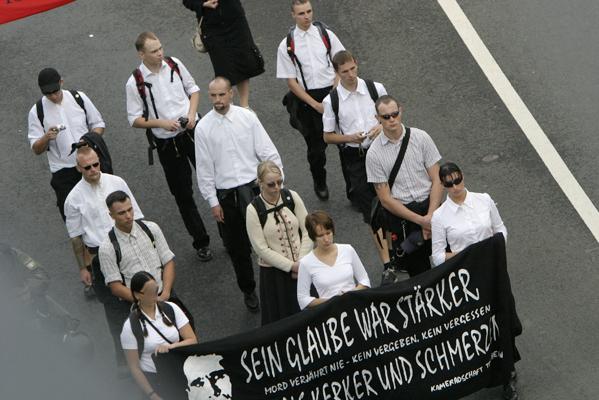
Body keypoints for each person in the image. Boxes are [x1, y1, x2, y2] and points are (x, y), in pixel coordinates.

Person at [196, 77, 283, 313]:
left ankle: (279, 282)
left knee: (271, 238)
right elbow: (204, 170)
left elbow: (267, 151)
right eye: (213, 96)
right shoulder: (203, 128)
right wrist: (213, 202)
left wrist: (277, 185)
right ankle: (248, 289)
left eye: (221, 95)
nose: (217, 100)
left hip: (255, 190)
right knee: (238, 248)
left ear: (231, 93)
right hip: (228, 197)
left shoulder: (247, 118)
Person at [126, 31, 212, 262]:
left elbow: (193, 90)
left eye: (161, 48)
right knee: (183, 193)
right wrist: (162, 123)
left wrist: (192, 115)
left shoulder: (174, 64)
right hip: (167, 143)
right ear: (141, 54)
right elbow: (134, 119)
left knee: (213, 178)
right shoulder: (135, 83)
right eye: (154, 51)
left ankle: (229, 231)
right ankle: (200, 240)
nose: (160, 53)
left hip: (193, 132)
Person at [64, 146, 143, 373]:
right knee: (115, 311)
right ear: (78, 168)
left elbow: (136, 214)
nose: (93, 170)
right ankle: (125, 363)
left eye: (96, 164)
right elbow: (76, 238)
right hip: (100, 258)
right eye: (87, 167)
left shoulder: (117, 182)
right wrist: (83, 268)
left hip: (128, 249)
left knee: (142, 297)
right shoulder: (73, 199)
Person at [322, 50, 390, 267]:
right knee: (371, 212)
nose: (350, 74)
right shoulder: (332, 101)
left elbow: (390, 115)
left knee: (393, 201)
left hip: (381, 150)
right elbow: (327, 136)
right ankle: (387, 261)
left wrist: (380, 127)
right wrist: (349, 137)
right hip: (356, 158)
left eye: (353, 68)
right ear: (337, 73)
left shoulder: (374, 88)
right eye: (345, 71)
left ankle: (397, 248)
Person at [366, 95, 443, 278]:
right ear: (377, 118)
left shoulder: (421, 137)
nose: (392, 119)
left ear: (401, 111)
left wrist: (431, 215)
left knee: (449, 258)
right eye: (386, 117)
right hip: (405, 217)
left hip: (432, 206)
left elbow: (437, 179)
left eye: (395, 114)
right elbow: (385, 199)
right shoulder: (374, 154)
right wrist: (420, 220)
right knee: (419, 272)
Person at [276, 0, 345, 200]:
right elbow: (291, 82)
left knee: (346, 143)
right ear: (293, 15)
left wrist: (333, 93)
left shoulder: (326, 35)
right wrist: (315, 104)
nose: (307, 16)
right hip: (308, 100)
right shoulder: (287, 45)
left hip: (332, 92)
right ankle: (320, 181)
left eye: (309, 11)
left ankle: (353, 188)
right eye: (301, 13)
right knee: (316, 149)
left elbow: (341, 62)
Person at [27, 67, 105, 221]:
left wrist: (89, 140)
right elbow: (36, 148)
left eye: (56, 91)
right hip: (64, 172)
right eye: (48, 94)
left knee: (104, 205)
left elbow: (98, 124)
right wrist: (46, 137)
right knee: (73, 217)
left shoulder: (78, 97)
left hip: (90, 163)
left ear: (61, 82)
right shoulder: (37, 111)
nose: (54, 96)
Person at [245, 161, 312, 324]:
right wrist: (291, 266)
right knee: (285, 322)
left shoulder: (291, 196)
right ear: (260, 184)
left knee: (313, 316)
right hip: (275, 276)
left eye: (280, 182)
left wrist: (301, 261)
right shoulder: (253, 210)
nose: (277, 188)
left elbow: (308, 230)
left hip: (304, 266)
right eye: (271, 184)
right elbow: (261, 249)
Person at [121, 271, 198, 400]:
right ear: (137, 295)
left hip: (181, 372)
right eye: (149, 291)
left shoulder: (171, 308)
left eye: (155, 289)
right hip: (157, 381)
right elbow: (134, 367)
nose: (154, 294)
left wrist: (171, 347)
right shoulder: (130, 327)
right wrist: (152, 395)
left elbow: (192, 340)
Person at [182, 0, 264, 108]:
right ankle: (228, 106)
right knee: (223, 68)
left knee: (242, 61)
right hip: (212, 27)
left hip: (235, 21)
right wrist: (202, 4)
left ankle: (245, 106)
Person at [431, 162, 508, 267]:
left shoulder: (484, 199)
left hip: (493, 262)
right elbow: (437, 257)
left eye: (457, 181)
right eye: (449, 184)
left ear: (463, 176)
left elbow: (500, 228)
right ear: (443, 185)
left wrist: (497, 247)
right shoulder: (439, 216)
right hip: (465, 269)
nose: (455, 187)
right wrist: (465, 255)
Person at [297, 211, 370, 309]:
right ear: (313, 237)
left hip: (355, 306)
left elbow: (364, 280)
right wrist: (331, 301)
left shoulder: (348, 249)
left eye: (328, 233)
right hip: (330, 314)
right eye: (321, 235)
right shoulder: (306, 263)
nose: (326, 239)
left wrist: (351, 293)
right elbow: (302, 298)